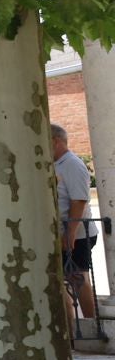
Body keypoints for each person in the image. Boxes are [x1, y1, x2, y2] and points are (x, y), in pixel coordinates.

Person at [53, 124, 100, 322]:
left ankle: (91, 325)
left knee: (77, 277)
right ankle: (71, 331)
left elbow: (79, 200)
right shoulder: (58, 164)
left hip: (77, 233)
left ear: (55, 142)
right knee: (63, 281)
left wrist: (70, 232)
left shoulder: (71, 164)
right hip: (65, 231)